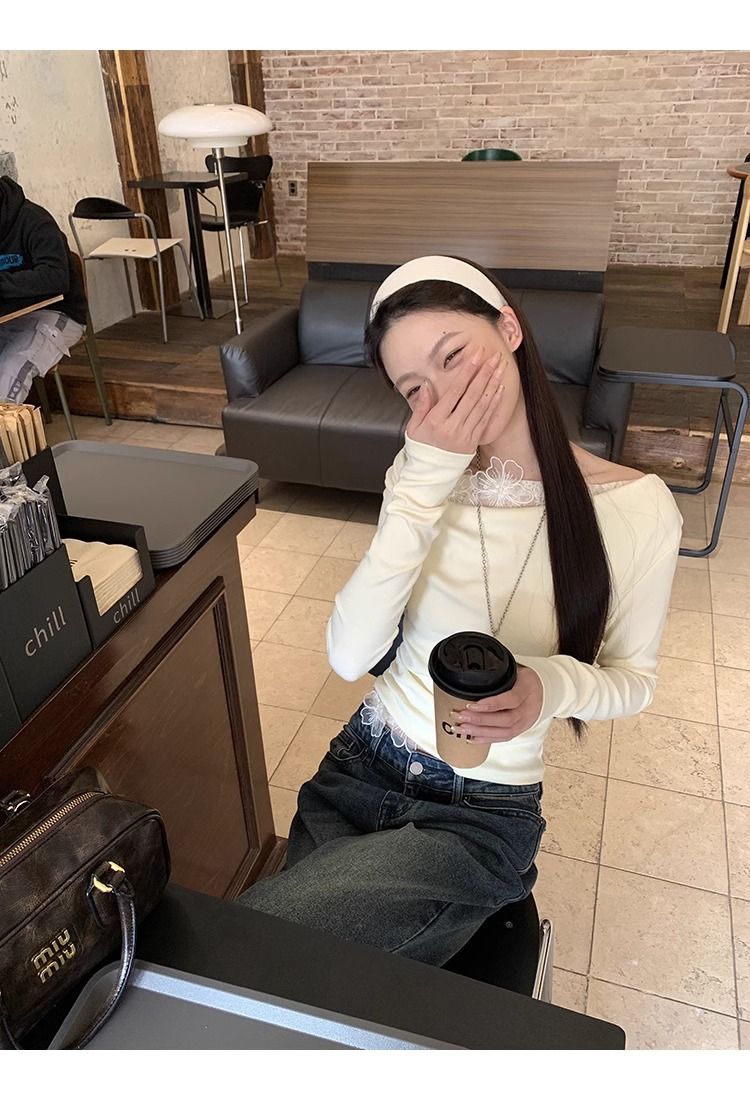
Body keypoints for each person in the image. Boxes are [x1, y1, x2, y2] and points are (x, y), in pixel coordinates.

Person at [239, 255, 683, 966]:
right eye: (416, 389)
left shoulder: (637, 508)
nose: (444, 396)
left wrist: (547, 687)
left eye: (453, 357)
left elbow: (634, 681)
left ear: (509, 328)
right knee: (308, 993)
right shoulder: (419, 478)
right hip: (358, 771)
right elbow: (350, 657)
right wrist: (423, 480)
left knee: (258, 950)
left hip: (478, 818)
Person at [0, 176, 87, 403]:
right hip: (8, 318)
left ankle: (6, 422)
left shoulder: (34, 220)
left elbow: (55, 278)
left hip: (57, 313)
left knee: (11, 369)